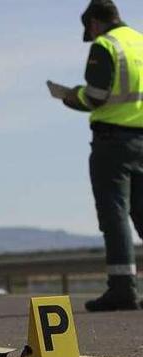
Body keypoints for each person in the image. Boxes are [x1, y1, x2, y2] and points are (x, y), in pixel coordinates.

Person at [60, 0, 143, 312]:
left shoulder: (106, 46)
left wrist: (70, 96)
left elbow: (95, 96)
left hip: (114, 142)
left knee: (115, 214)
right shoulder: (140, 42)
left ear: (94, 23)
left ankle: (123, 289)